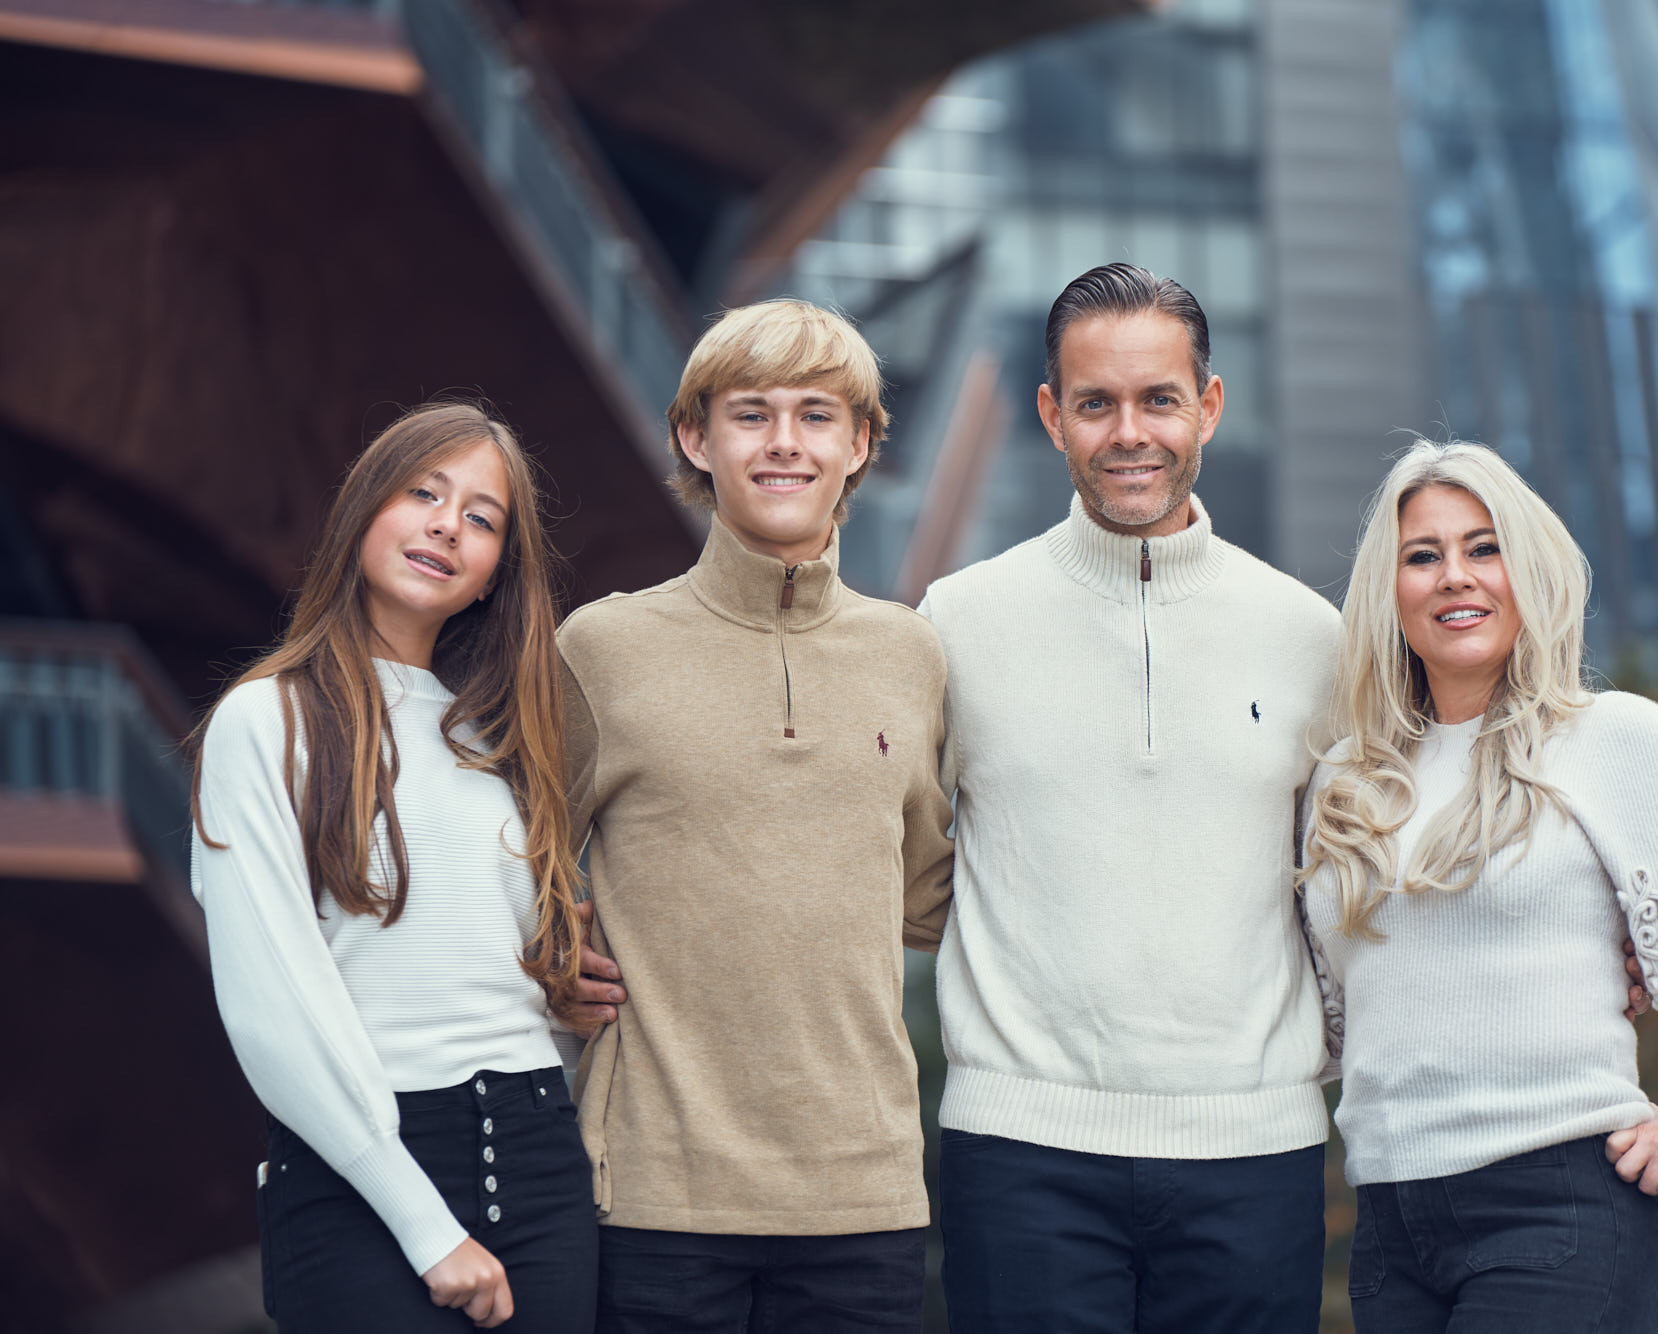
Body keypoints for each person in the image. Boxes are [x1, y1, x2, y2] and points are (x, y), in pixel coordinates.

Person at [1298, 439, 1658, 1332]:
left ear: (1530, 571)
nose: (1455, 576)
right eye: (1423, 555)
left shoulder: (1610, 740)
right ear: (1387, 591)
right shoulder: (1345, 784)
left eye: (1484, 548)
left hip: (1559, 1203)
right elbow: (1328, 1005)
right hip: (1391, 1220)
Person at [915, 263, 1341, 1331]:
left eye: (1157, 398)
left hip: (1254, 1146)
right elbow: (878, 844)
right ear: (1053, 416)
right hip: (1018, 1145)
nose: (1127, 432)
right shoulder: (955, 619)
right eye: (1094, 403)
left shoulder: (1307, 634)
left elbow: (1368, 873)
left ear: (1208, 404)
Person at [557, 299, 954, 1333]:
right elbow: (509, 858)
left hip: (862, 1195)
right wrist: (548, 952)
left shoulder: (909, 653)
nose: (785, 442)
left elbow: (928, 897)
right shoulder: (603, 648)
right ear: (695, 436)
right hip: (653, 1191)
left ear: (861, 442)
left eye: (818, 414)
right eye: (752, 413)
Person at [190, 402, 597, 1331]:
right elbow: (271, 1005)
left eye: (483, 518)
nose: (448, 524)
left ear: (497, 574)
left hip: (541, 1158)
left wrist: (571, 986)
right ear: (365, 510)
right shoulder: (268, 721)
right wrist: (426, 1226)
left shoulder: (497, 743)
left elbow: (511, 976)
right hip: (359, 1173)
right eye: (424, 492)